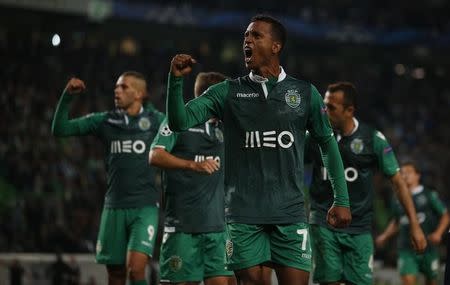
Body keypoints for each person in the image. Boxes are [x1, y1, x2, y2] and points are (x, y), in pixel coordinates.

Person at [165, 15, 352, 285]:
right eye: (245, 37)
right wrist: (175, 82)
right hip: (243, 214)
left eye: (255, 36)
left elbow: (327, 143)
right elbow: (179, 121)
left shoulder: (304, 93)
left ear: (276, 46)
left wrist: (342, 199)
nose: (247, 41)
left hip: (289, 213)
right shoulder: (227, 92)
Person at [305, 82, 428, 285]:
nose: (325, 112)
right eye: (324, 106)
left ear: (349, 110)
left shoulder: (372, 139)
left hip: (360, 228)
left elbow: (398, 182)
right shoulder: (315, 137)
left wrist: (415, 225)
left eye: (332, 108)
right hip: (323, 223)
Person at [52, 71, 165, 285]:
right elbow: (60, 129)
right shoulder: (106, 120)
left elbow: (180, 131)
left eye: (124, 87)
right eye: (116, 87)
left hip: (145, 207)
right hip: (113, 207)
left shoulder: (156, 120)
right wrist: (67, 96)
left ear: (140, 94)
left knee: (136, 269)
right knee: (115, 274)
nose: (117, 90)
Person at [149, 71, 236, 285]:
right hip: (182, 228)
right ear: (211, 95)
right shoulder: (179, 120)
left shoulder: (223, 127)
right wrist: (192, 165)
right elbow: (155, 155)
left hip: (217, 229)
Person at [376, 162, 449, 285]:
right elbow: (396, 221)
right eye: (402, 173)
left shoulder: (428, 194)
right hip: (406, 249)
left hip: (428, 248)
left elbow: (445, 215)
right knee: (408, 281)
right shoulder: (397, 198)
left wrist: (438, 233)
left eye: (408, 172)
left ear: (417, 175)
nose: (405, 176)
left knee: (432, 282)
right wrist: (385, 235)